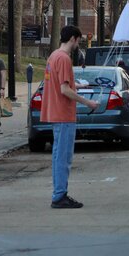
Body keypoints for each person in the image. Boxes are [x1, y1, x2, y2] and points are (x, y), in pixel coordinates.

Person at [40, 25, 99, 209]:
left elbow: (60, 85)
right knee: (63, 158)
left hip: (55, 113)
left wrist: (78, 86)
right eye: (78, 40)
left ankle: (59, 194)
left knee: (59, 156)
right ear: (73, 38)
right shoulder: (64, 59)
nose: (78, 44)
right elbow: (64, 90)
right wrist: (88, 103)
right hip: (64, 114)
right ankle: (59, 196)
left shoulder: (53, 56)